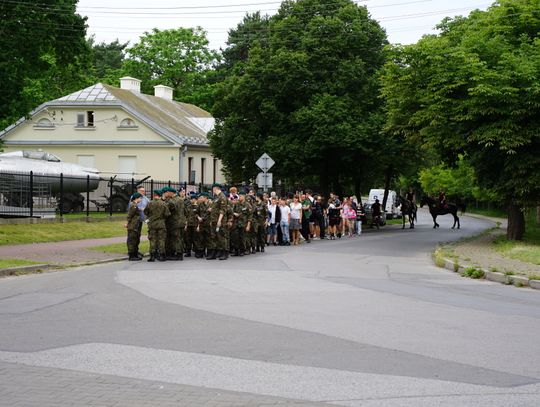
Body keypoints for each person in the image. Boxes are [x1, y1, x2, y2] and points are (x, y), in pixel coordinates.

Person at [144, 189, 170, 262]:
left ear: (154, 195)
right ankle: (161, 255)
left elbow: (145, 212)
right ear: (160, 195)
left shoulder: (150, 203)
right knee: (161, 239)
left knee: (152, 239)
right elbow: (167, 214)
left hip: (152, 224)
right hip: (161, 224)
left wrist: (151, 216)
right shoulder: (163, 203)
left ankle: (152, 256)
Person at [207, 183, 228, 261]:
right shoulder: (216, 197)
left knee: (221, 237)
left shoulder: (222, 197)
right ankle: (215, 253)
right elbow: (215, 208)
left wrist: (219, 220)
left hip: (220, 221)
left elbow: (223, 210)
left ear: (215, 189)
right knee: (214, 237)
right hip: (214, 220)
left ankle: (224, 253)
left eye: (213, 189)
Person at [163, 187, 185, 261]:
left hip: (175, 222)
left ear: (170, 192)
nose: (165, 194)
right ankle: (179, 253)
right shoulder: (180, 199)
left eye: (166, 192)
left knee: (176, 239)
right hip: (181, 222)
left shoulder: (172, 201)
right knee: (179, 238)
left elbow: (168, 211)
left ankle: (179, 255)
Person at [126, 192, 143, 261]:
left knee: (135, 240)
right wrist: (127, 223)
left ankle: (135, 254)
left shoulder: (135, 205)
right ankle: (131, 255)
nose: (141, 199)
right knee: (132, 240)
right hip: (133, 225)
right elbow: (130, 215)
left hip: (135, 225)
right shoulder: (134, 206)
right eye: (140, 198)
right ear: (137, 198)